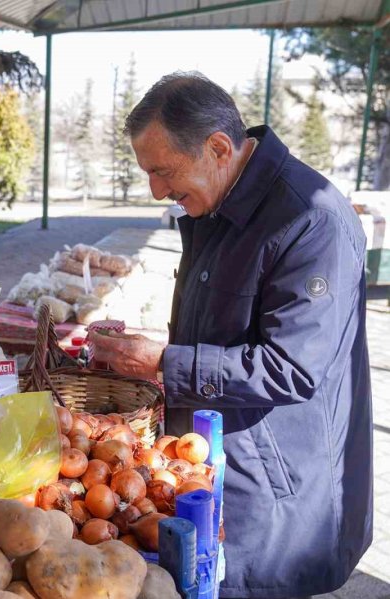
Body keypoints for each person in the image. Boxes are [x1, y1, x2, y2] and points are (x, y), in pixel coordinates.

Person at [91, 73, 371, 598]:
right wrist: (153, 352)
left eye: (162, 171)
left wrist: (161, 363)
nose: (157, 191)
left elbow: (292, 367)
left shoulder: (312, 220)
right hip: (222, 466)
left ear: (219, 147)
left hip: (275, 494)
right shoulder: (220, 203)